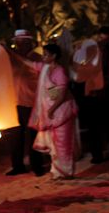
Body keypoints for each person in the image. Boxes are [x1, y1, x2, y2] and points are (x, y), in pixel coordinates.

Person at [11, 44, 79, 179]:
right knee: (54, 143)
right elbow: (26, 62)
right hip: (51, 111)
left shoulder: (60, 71)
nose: (43, 57)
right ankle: (57, 172)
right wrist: (9, 51)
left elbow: (61, 94)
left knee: (63, 142)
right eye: (43, 54)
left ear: (54, 56)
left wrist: (52, 109)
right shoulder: (45, 68)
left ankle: (66, 173)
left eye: (46, 54)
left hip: (61, 111)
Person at [7, 29, 46, 176]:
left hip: (31, 102)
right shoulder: (12, 58)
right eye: (18, 42)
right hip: (14, 102)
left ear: (29, 42)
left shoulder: (36, 57)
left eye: (23, 42)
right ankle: (18, 166)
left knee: (32, 135)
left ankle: (37, 166)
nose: (19, 44)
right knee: (15, 136)